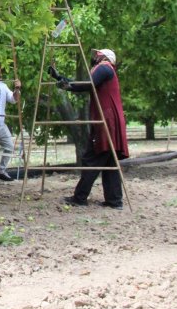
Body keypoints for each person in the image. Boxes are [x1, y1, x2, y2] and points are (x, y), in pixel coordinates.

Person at [51, 48, 128, 210]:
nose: (94, 57)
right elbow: (87, 84)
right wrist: (60, 78)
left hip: (106, 120)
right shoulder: (107, 70)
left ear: (105, 57)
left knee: (92, 157)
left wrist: (66, 85)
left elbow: (87, 84)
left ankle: (80, 197)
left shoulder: (105, 67)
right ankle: (114, 200)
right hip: (110, 120)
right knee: (108, 161)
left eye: (97, 54)